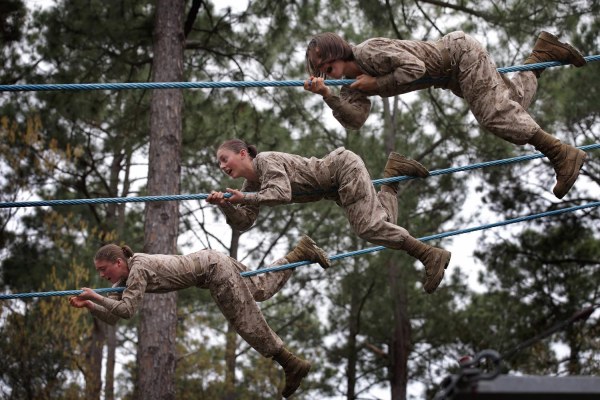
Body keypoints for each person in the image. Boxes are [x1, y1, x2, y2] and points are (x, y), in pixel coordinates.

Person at [303, 31, 587, 199]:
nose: (320, 69)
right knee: (513, 103)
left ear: (334, 50)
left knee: (494, 114)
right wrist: (328, 95)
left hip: (459, 54)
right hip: (451, 76)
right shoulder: (349, 88)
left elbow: (415, 68)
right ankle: (542, 55)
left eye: (322, 61)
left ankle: (560, 153)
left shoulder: (368, 52)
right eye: (317, 69)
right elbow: (356, 120)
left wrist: (376, 84)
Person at [69, 236, 331, 398]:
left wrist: (94, 296)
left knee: (244, 318)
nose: (102, 277)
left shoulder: (138, 268)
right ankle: (300, 253)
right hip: (212, 262)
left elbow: (127, 310)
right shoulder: (125, 279)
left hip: (212, 270)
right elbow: (115, 316)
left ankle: (290, 363)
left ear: (118, 262)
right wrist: (91, 306)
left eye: (103, 270)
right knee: (260, 288)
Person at [207, 139, 451, 294]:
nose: (222, 166)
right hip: (335, 187)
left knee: (367, 228)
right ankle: (394, 173)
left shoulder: (265, 162)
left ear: (242, 153)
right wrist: (224, 205)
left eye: (224, 159)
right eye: (219, 163)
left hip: (342, 170)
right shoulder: (251, 185)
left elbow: (280, 193)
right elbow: (244, 222)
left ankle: (429, 254)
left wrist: (243, 199)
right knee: (384, 225)